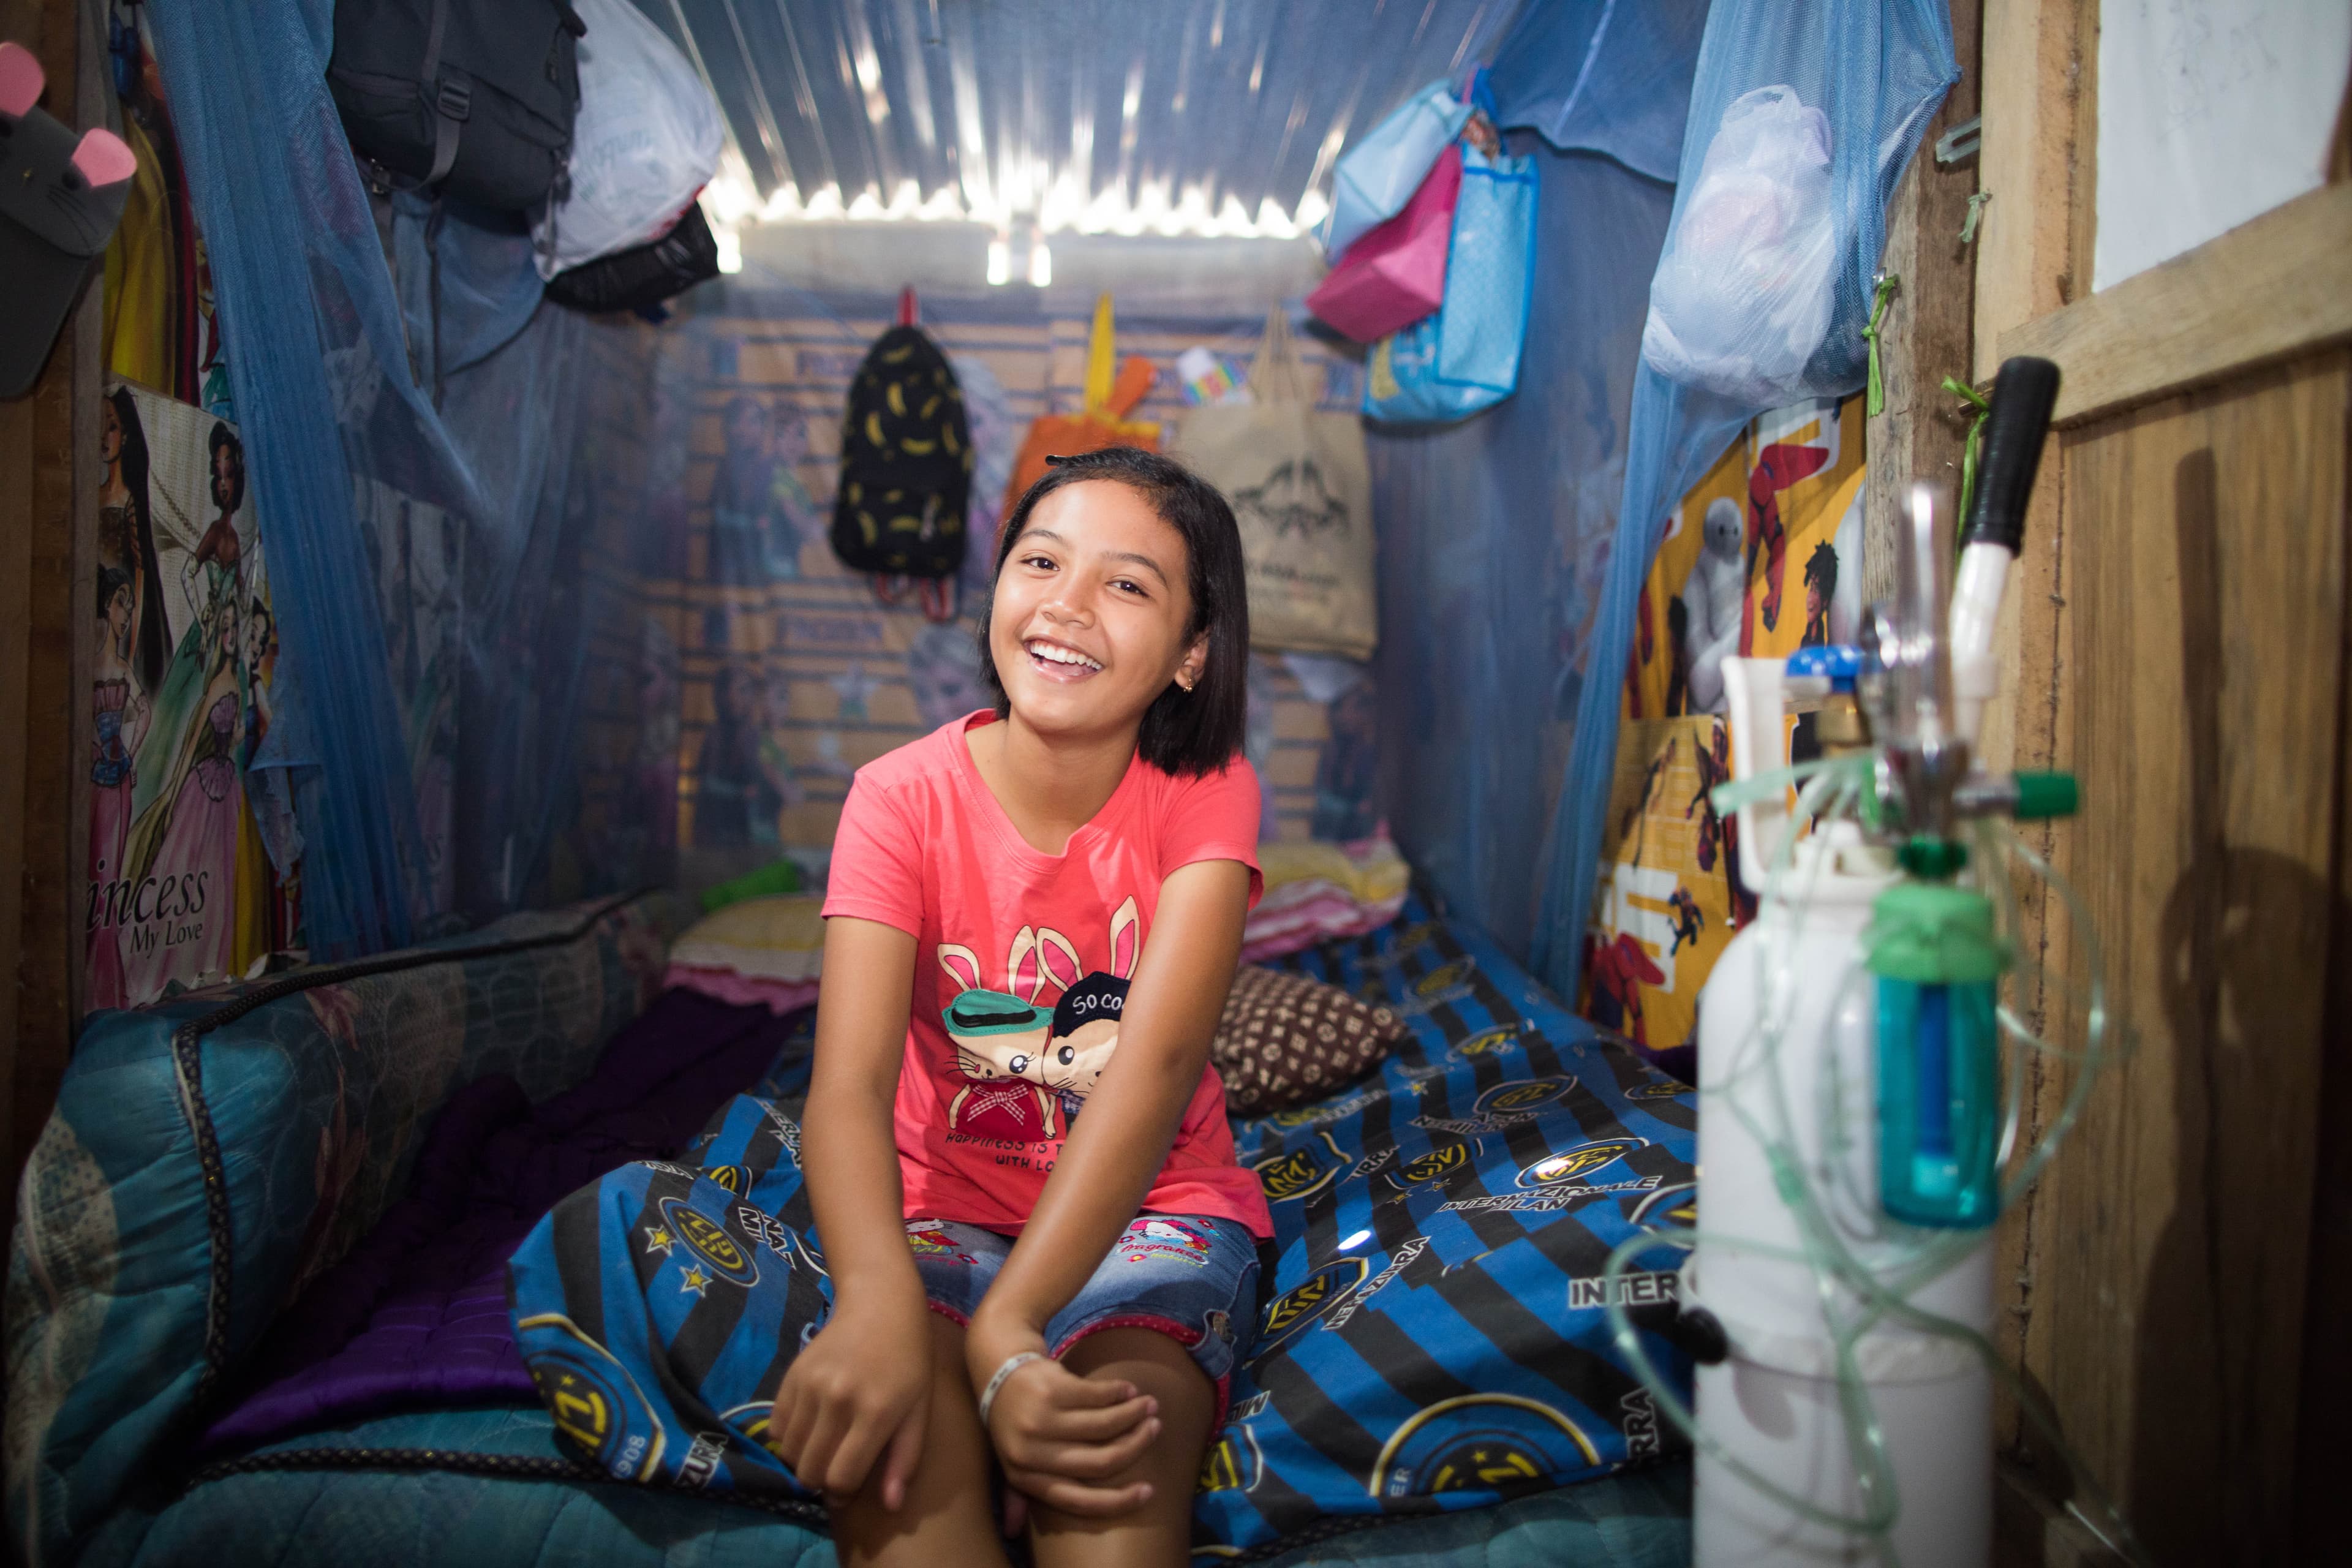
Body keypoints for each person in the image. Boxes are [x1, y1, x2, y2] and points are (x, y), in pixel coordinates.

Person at [774, 447, 1269, 1568]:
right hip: (938, 1204)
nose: (1067, 604)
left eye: (1128, 584)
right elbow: (845, 1088)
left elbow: (1149, 1075)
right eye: (1041, 560)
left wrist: (1009, 1328)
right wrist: (873, 1299)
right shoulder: (898, 799)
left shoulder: (1207, 794)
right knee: (896, 1472)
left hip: (1153, 1203)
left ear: (1193, 654)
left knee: (1110, 1473)